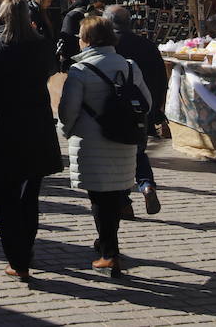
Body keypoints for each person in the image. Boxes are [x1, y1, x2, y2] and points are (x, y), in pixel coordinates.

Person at [0, 0, 64, 282]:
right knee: (28, 199)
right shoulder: (40, 47)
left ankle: (17, 260)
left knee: (5, 202)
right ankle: (24, 251)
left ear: (1, 16)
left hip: (0, 132)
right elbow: (53, 68)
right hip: (35, 132)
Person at [58, 15, 151, 278]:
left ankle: (109, 253)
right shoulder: (129, 66)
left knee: (100, 198)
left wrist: (65, 132)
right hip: (123, 140)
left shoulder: (80, 70)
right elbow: (146, 102)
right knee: (114, 196)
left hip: (92, 141)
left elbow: (68, 111)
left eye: (80, 35)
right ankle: (106, 244)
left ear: (87, 39)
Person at [103, 4, 167, 217]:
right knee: (138, 152)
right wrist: (156, 108)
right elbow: (160, 79)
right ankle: (147, 185)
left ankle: (124, 203)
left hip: (113, 110)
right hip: (141, 110)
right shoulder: (147, 45)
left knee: (116, 159)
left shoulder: (107, 47)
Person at [56, 0, 93, 70]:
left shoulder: (71, 16)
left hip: (77, 64)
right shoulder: (95, 12)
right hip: (95, 60)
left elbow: (66, 42)